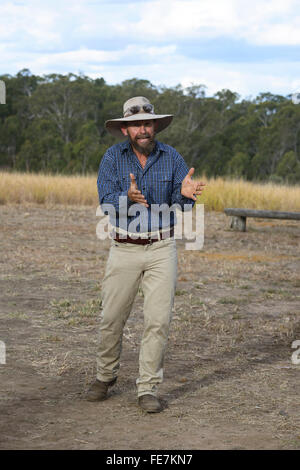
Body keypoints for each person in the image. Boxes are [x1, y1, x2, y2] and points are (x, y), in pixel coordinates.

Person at [87, 96, 205, 412]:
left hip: (161, 248)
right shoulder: (112, 158)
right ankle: (105, 375)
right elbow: (106, 203)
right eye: (136, 124)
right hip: (124, 248)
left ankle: (147, 388)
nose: (143, 129)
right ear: (126, 129)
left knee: (158, 320)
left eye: (148, 123)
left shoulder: (172, 158)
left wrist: (186, 197)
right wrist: (126, 197)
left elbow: (179, 204)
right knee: (111, 318)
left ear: (155, 125)